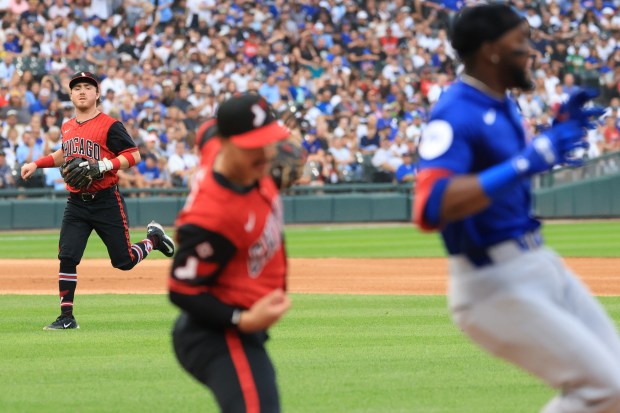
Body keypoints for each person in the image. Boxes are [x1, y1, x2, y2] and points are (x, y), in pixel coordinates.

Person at [413, 5, 620, 412]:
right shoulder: (456, 111)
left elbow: (507, 168)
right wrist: (529, 159)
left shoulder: (502, 103)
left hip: (537, 261)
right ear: (490, 49)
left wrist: (556, 133)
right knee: (604, 389)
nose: (530, 50)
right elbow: (430, 206)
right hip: (492, 282)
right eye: (520, 40)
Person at [20, 71, 176, 330]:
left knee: (124, 261)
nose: (82, 91)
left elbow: (134, 155)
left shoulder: (110, 124)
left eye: (87, 87)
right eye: (77, 87)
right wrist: (37, 163)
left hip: (106, 200)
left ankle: (154, 240)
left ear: (97, 94)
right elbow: (64, 153)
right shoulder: (68, 126)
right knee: (67, 256)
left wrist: (104, 165)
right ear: (70, 95)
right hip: (77, 202)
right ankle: (66, 317)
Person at [169, 93, 292, 413]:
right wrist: (244, 319)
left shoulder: (217, 145)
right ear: (227, 143)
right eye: (254, 146)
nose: (266, 154)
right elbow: (181, 289)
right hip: (216, 335)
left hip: (239, 329)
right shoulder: (213, 217)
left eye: (269, 141)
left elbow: (207, 129)